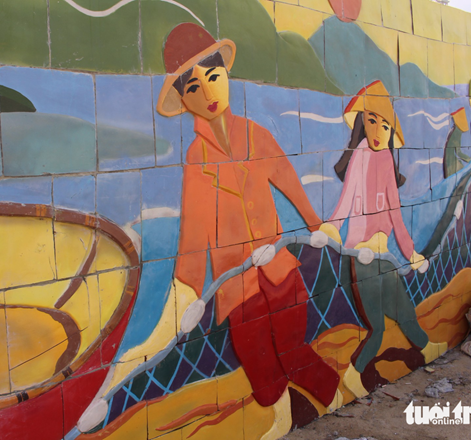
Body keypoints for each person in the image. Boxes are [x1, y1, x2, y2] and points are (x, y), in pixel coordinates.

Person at [157, 23, 340, 438]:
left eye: (214, 78)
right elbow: (194, 229)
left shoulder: (255, 134)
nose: (208, 94)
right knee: (259, 365)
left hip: (280, 268)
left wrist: (315, 222)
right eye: (194, 88)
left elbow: (287, 177)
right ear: (185, 100)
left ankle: (334, 392)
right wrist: (187, 288)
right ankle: (281, 419)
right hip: (235, 287)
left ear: (226, 76)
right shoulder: (196, 159)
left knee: (295, 350)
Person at [319, 81, 447, 398]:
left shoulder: (386, 160)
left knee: (404, 312)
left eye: (385, 124)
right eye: (372, 121)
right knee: (376, 327)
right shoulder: (361, 155)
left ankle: (428, 346)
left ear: (392, 132)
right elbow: (347, 200)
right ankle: (354, 374)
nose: (378, 130)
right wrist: (332, 226)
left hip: (384, 256)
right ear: (363, 121)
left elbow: (394, 213)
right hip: (362, 258)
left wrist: (411, 252)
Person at [442, 107, 471, 179]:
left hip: (451, 163)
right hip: (452, 165)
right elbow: (458, 153)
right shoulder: (457, 133)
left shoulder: (455, 131)